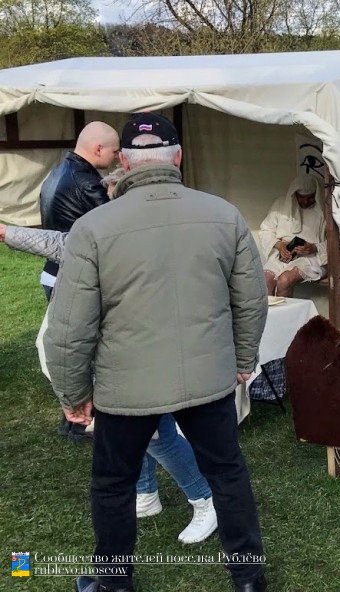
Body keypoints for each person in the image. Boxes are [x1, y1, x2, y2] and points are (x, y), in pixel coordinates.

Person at [44, 112, 269, 592]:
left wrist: (72, 394)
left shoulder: (93, 228)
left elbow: (68, 328)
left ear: (123, 162)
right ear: (178, 158)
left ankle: (113, 583)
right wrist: (244, 360)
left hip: (126, 384)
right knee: (227, 473)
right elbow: (251, 299)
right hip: (207, 378)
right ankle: (249, 579)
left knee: (112, 483)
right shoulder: (223, 214)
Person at [1, 198, 218, 545]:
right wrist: (7, 232)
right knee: (137, 430)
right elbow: (59, 243)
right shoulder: (100, 231)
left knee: (158, 435)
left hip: (146, 351)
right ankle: (146, 495)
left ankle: (206, 500)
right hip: (113, 353)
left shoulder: (158, 234)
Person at [37, 121, 120, 443]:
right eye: (113, 152)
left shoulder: (57, 172)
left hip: (54, 271)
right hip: (74, 276)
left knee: (74, 346)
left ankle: (76, 417)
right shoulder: (88, 183)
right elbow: (114, 227)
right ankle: (82, 421)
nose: (115, 158)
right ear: (98, 149)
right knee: (85, 348)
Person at [258, 173, 328, 297]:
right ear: (294, 194)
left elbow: (335, 242)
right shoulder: (280, 205)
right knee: (266, 281)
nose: (306, 201)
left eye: (310, 197)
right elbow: (265, 230)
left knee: (284, 281)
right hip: (283, 255)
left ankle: (285, 316)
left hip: (313, 258)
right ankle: (270, 316)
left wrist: (314, 247)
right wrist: (279, 245)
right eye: (301, 197)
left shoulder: (325, 209)